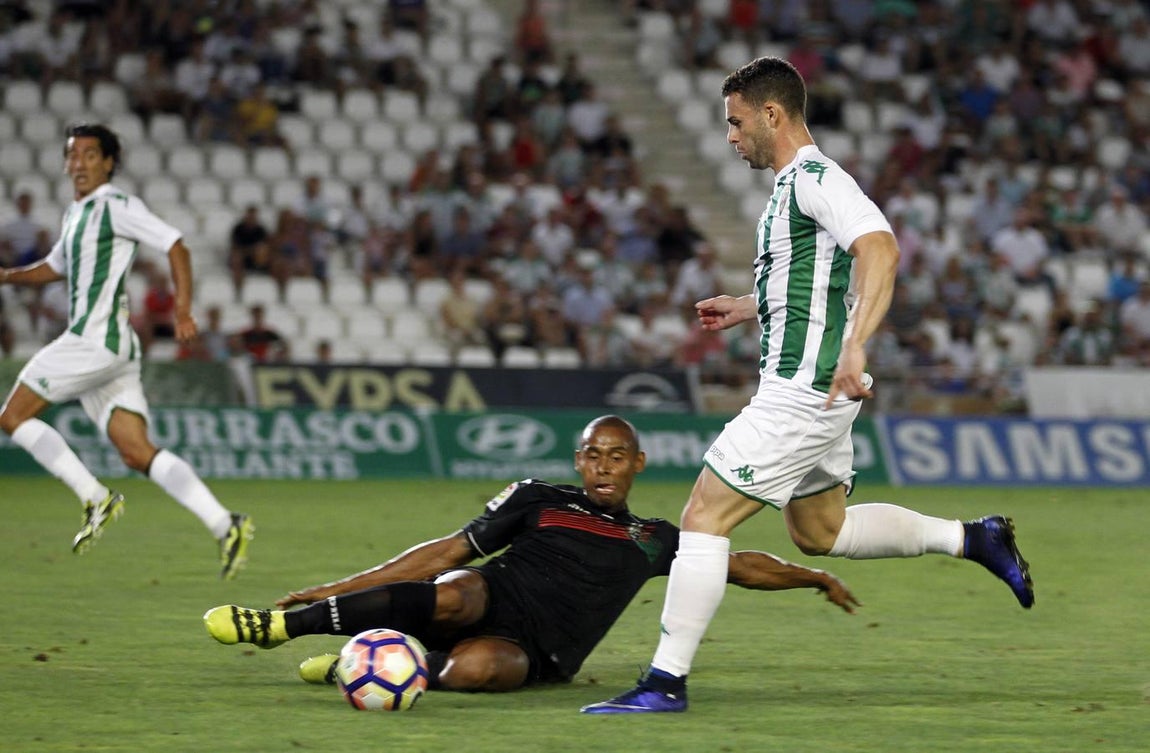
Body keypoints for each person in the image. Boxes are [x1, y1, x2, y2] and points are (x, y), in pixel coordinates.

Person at [583, 57, 1034, 715]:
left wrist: (856, 344)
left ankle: (664, 681)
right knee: (819, 532)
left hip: (802, 390)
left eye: (736, 123)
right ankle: (974, 538)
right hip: (819, 392)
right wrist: (748, 304)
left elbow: (880, 248)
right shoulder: (788, 190)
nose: (731, 137)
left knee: (703, 515)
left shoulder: (816, 178)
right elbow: (809, 284)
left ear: (772, 114)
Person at [203, 416, 858, 693]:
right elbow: (445, 550)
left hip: (541, 652)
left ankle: (367, 661)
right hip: (490, 597)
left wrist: (812, 574)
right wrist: (333, 587)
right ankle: (285, 626)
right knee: (458, 586)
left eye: (616, 455)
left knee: (487, 667)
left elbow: (738, 564)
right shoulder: (539, 497)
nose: (603, 465)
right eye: (592, 454)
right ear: (580, 460)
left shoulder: (654, 536)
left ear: (638, 463)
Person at [0, 123, 254, 579]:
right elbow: (54, 267)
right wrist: (7, 277)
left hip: (95, 340)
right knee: (137, 452)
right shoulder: (76, 214)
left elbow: (175, 245)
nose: (78, 163)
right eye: (72, 155)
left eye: (90, 155)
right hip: (113, 349)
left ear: (109, 162)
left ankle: (95, 498)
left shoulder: (117, 206)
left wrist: (182, 311)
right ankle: (225, 523)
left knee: (12, 416)